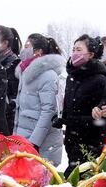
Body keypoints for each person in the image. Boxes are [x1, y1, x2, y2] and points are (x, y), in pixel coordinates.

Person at [53, 34, 106, 174]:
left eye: (79, 50)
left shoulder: (100, 79)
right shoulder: (72, 76)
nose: (74, 53)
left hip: (90, 141)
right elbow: (69, 105)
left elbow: (99, 116)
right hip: (72, 139)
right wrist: (61, 118)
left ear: (90, 54)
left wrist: (73, 120)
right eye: (73, 49)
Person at [13, 33, 66, 166]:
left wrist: (33, 142)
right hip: (25, 139)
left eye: (27, 46)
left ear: (38, 52)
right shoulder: (26, 73)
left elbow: (49, 111)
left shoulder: (47, 75)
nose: (23, 50)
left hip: (41, 144)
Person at [0, 25, 21, 134]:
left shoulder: (14, 63)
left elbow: (15, 94)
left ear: (5, 43)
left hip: (7, 120)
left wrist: (8, 107)